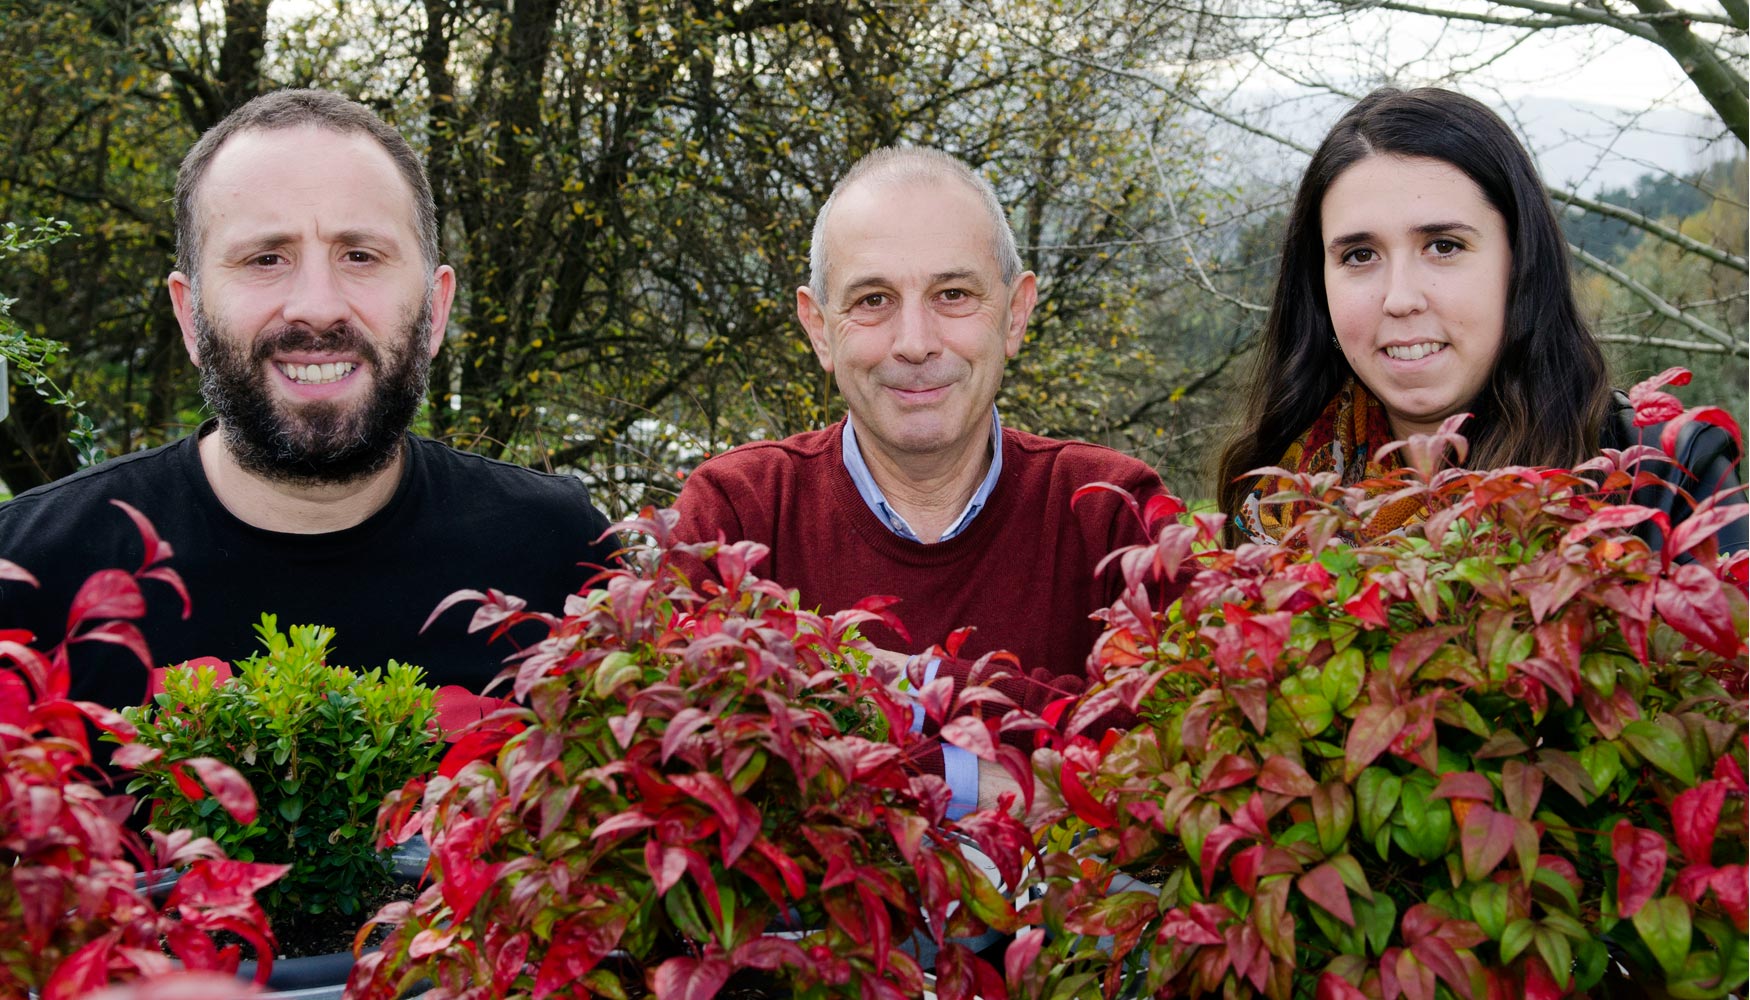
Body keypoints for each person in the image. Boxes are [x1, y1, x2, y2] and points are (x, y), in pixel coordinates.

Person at [0, 89, 618, 713]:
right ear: (190, 316)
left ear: (435, 309)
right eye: (266, 259)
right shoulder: (26, 576)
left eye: (359, 255)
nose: (318, 306)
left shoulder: (565, 560)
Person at [671, 147, 1170, 816]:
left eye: (953, 295)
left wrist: (905, 681)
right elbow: (694, 784)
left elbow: (1166, 774)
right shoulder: (739, 516)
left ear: (1015, 313)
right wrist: (977, 781)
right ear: (819, 328)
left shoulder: (1113, 515)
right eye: (873, 300)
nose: (914, 341)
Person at [1218, 86, 1745, 553]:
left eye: (1444, 246)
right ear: (1319, 284)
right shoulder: (1270, 501)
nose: (1400, 298)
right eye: (1360, 255)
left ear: (1519, 264)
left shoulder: (1660, 477)